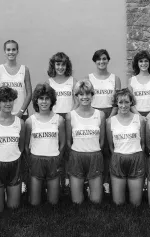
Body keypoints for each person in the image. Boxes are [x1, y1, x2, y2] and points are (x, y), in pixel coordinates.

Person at [86, 49, 122, 193]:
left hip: (111, 114)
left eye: (104, 59)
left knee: (107, 150)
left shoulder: (115, 78)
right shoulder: (89, 78)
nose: (102, 62)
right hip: (93, 114)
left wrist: (109, 117)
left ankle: (106, 181)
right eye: (99, 59)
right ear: (95, 61)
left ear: (108, 60)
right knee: (94, 149)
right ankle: (91, 180)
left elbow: (117, 101)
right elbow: (85, 99)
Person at [24, 84, 66, 205]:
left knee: (53, 202)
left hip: (53, 160)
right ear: (36, 101)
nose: (44, 101)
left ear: (52, 101)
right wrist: (30, 161)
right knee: (34, 203)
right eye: (41, 98)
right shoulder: (30, 121)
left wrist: (58, 159)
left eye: (47, 98)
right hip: (36, 160)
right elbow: (26, 146)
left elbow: (62, 144)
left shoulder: (59, 120)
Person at [66, 80, 106, 204]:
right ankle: (80, 185)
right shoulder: (70, 116)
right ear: (76, 96)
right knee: (77, 202)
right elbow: (68, 141)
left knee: (96, 201)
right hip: (77, 156)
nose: (85, 97)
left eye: (88, 94)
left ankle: (91, 187)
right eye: (81, 94)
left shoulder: (100, 115)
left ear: (92, 95)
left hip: (95, 156)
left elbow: (102, 141)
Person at [106, 89, 145, 206]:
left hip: (136, 158)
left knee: (136, 204)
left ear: (131, 103)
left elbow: (143, 143)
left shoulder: (139, 119)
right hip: (118, 158)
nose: (123, 106)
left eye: (126, 102)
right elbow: (110, 146)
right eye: (120, 102)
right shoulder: (110, 122)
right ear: (116, 103)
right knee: (118, 203)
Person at [46, 52, 77, 193]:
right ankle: (55, 178)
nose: (60, 67)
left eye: (63, 64)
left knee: (68, 149)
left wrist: (70, 116)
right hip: (54, 119)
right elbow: (46, 103)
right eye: (58, 64)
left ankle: (68, 179)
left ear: (67, 65)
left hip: (69, 117)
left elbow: (77, 101)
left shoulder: (72, 81)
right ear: (54, 65)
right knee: (56, 148)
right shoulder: (49, 82)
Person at [0, 40, 32, 121]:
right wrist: (2, 111)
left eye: (13, 49)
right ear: (5, 51)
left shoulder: (25, 70)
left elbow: (29, 94)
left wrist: (21, 112)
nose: (11, 52)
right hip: (2, 114)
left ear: (17, 51)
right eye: (8, 50)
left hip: (21, 114)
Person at [128, 50, 150, 119]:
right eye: (141, 61)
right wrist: (139, 116)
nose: (144, 63)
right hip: (136, 115)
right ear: (137, 63)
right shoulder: (131, 81)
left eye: (146, 61)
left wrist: (149, 116)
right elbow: (130, 102)